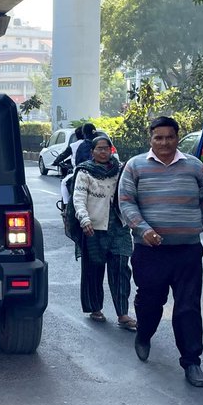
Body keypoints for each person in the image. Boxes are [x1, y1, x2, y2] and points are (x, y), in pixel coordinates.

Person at [118, 115, 203, 387]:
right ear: (150, 139)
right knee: (150, 303)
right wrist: (143, 229)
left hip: (187, 252)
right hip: (149, 252)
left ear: (177, 138)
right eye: (159, 137)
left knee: (188, 308)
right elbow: (126, 203)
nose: (164, 142)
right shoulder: (135, 166)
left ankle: (192, 362)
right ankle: (144, 334)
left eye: (169, 137)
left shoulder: (194, 167)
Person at [71, 133, 135, 330]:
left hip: (119, 228)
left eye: (106, 148)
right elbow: (78, 198)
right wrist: (84, 219)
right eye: (99, 149)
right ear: (92, 152)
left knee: (121, 270)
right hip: (93, 228)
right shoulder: (84, 172)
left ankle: (123, 314)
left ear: (111, 150)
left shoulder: (120, 170)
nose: (103, 152)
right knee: (94, 270)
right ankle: (95, 307)